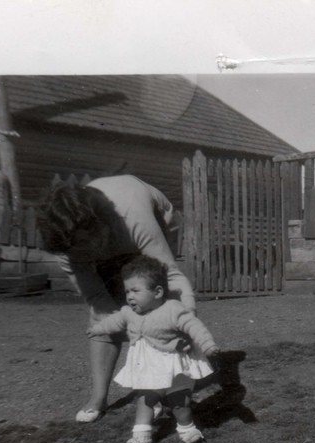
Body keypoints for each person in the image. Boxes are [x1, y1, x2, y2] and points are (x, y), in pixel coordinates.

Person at [36, 174, 196, 423]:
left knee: (154, 304)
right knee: (103, 317)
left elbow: (171, 276)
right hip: (107, 235)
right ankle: (98, 397)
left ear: (96, 228)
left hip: (155, 217)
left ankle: (162, 388)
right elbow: (98, 299)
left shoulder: (135, 219)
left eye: (82, 248)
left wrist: (185, 317)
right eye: (73, 251)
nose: (78, 255)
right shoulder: (66, 245)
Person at [87, 255, 220, 443]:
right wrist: (98, 329)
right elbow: (114, 322)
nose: (130, 296)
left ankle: (187, 428)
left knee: (179, 402)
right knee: (146, 399)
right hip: (147, 365)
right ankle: (142, 436)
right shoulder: (128, 312)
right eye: (127, 291)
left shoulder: (173, 309)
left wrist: (207, 344)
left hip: (172, 366)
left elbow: (194, 326)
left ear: (157, 292)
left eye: (136, 291)